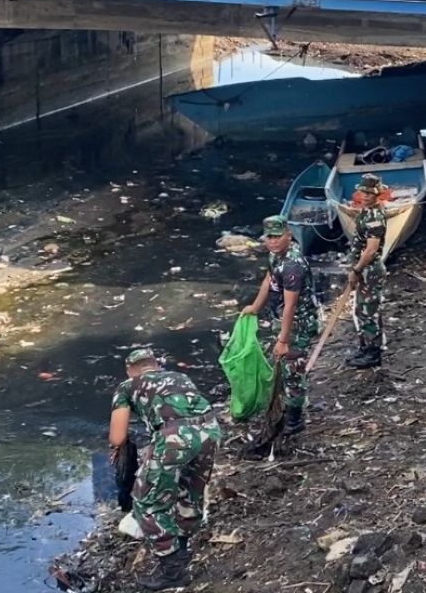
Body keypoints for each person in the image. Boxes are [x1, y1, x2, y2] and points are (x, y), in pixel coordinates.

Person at [108, 348, 220, 590]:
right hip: (210, 430)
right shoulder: (181, 378)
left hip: (174, 438)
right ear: (156, 365)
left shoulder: (127, 386)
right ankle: (182, 547)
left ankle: (172, 569)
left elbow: (117, 438)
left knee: (146, 503)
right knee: (190, 492)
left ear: (130, 370)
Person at [240, 215, 319, 456]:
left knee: (293, 369)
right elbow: (268, 279)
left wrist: (283, 340)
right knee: (283, 367)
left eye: (277, 236)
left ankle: (295, 418)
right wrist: (255, 306)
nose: (272, 242)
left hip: (297, 323)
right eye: (269, 237)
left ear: (288, 235)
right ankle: (287, 407)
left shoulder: (293, 265)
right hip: (281, 317)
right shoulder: (276, 256)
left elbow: (291, 305)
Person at [344, 173, 386, 369]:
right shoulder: (365, 212)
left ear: (377, 194)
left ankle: (373, 352)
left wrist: (357, 269)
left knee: (368, 310)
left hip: (369, 270)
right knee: (362, 309)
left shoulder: (375, 217)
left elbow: (370, 249)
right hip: (364, 270)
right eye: (363, 192)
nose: (366, 196)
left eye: (370, 193)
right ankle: (366, 346)